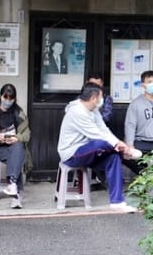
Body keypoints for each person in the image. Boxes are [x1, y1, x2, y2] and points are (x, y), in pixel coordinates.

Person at [57, 82, 140, 212]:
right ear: (94, 98)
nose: (102, 100)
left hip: (89, 151)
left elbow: (104, 130)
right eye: (101, 97)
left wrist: (118, 144)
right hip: (72, 154)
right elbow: (96, 134)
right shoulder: (77, 112)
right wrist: (121, 146)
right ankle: (124, 153)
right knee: (100, 143)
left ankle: (117, 201)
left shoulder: (93, 110)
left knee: (113, 157)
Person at [0, 84, 32, 209]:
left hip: (13, 147)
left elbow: (27, 133)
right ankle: (16, 194)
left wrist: (16, 138)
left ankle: (12, 184)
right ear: (1, 96)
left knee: (18, 148)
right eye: (5, 97)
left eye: (11, 98)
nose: (8, 101)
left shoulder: (18, 111)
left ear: (14, 99)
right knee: (17, 156)